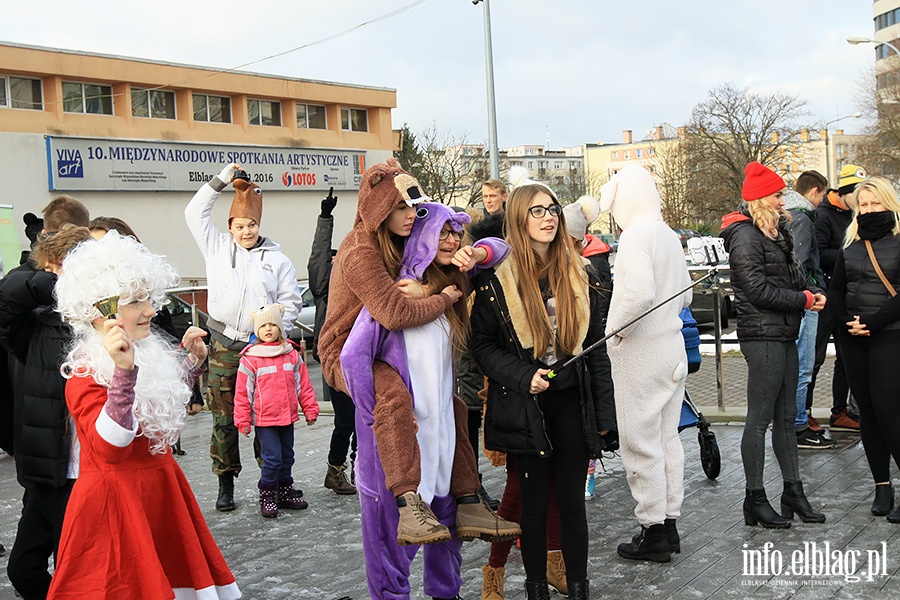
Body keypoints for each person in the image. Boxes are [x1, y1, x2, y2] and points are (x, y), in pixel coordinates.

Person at [319, 159, 519, 552]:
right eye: (399, 208)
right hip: (346, 351)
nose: (411, 215)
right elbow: (394, 312)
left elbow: (499, 248)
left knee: (454, 407)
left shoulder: (401, 242)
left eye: (414, 206)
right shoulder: (360, 248)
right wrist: (442, 297)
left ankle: (467, 498)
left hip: (380, 342)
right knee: (393, 397)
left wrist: (472, 255)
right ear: (377, 208)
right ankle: (407, 500)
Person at [47, 231, 240, 599]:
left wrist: (192, 364)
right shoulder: (88, 372)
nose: (150, 310)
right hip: (115, 505)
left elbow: (152, 402)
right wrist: (122, 373)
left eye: (147, 299)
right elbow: (109, 447)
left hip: (158, 489)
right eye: (135, 301)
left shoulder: (142, 351)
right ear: (100, 311)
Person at [341, 200, 510, 599]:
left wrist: (473, 255)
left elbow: (503, 249)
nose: (452, 240)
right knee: (392, 555)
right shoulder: (396, 293)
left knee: (447, 544)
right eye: (443, 232)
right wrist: (374, 418)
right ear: (421, 237)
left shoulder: (453, 285)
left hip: (443, 446)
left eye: (456, 233)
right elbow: (352, 358)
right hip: (397, 451)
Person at [470, 180, 616, 600]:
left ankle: (580, 588)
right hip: (524, 405)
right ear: (519, 217)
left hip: (572, 401)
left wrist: (605, 418)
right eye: (538, 210)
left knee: (571, 503)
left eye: (552, 208)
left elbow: (596, 352)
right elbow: (481, 346)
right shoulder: (496, 281)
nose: (549, 216)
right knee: (532, 505)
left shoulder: (579, 272)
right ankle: (536, 589)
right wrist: (521, 375)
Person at [185, 163, 302, 512]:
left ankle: (272, 484)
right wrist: (221, 179)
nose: (246, 231)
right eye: (239, 225)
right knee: (223, 417)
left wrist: (274, 332)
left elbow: (291, 302)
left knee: (265, 417)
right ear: (230, 226)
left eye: (251, 225)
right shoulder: (216, 247)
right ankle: (225, 483)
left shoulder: (277, 260)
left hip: (261, 348)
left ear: (258, 226)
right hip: (223, 344)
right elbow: (194, 211)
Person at [721, 162, 827, 530]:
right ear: (762, 198)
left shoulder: (775, 232)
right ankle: (755, 498)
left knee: (785, 418)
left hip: (784, 332)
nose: (785, 200)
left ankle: (792, 493)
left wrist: (811, 292)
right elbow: (757, 290)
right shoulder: (745, 236)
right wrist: (802, 300)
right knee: (760, 420)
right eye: (779, 194)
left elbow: (794, 278)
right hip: (762, 336)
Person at [598, 166, 690, 563]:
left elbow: (636, 293)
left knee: (641, 442)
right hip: (672, 347)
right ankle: (669, 523)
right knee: (669, 438)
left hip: (643, 353)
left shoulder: (636, 235)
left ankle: (651, 529)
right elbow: (685, 295)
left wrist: (614, 331)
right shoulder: (667, 233)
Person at [0, 225, 91, 599]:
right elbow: (8, 297)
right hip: (42, 472)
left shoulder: (96, 323)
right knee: (23, 570)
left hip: (82, 476)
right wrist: (55, 282)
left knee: (73, 573)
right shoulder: (33, 325)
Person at [826, 177, 900, 520]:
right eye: (864, 205)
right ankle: (881, 485)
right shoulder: (850, 244)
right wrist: (844, 321)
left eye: (875, 203)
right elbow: (837, 288)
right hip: (853, 338)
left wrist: (875, 321)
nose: (869, 209)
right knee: (867, 411)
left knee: (889, 409)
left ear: (889, 204)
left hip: (890, 335)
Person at [234, 303, 318, 517]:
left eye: (273, 324)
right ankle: (268, 494)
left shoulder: (291, 355)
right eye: (263, 326)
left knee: (287, 456)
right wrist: (242, 420)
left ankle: (284, 491)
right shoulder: (251, 359)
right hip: (265, 420)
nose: (268, 329)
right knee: (272, 458)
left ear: (280, 327)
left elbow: (303, 384)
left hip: (287, 417)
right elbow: (243, 393)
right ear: (257, 330)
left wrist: (309, 408)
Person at [810, 165, 868, 433]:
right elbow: (819, 255)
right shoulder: (823, 216)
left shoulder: (853, 216)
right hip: (826, 295)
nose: (861, 204)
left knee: (845, 359)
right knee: (815, 358)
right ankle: (805, 413)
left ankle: (840, 411)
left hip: (846, 296)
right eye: (857, 197)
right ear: (844, 194)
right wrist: (850, 254)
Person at [308, 189, 357, 495]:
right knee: (347, 419)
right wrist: (326, 219)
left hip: (364, 355)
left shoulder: (362, 284)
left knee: (365, 420)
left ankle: (360, 468)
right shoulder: (325, 288)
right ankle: (335, 469)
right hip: (335, 359)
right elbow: (317, 260)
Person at [782, 170, 834, 449]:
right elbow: (801, 263)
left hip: (798, 299)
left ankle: (796, 422)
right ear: (814, 191)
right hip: (806, 300)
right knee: (803, 366)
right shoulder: (802, 218)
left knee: (798, 365)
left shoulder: (788, 214)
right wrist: (814, 291)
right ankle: (799, 426)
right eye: (822, 194)